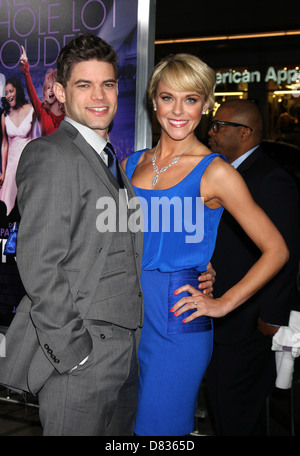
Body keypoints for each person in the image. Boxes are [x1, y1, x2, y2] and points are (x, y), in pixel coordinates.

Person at [122, 54, 289, 436]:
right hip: (126, 318)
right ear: (153, 101)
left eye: (191, 99)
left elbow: (277, 249)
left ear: (206, 105)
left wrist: (223, 302)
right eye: (168, 98)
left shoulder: (216, 171)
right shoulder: (131, 165)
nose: (178, 111)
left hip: (177, 318)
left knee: (159, 433)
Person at [0, 34, 144, 436]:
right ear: (60, 92)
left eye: (108, 84)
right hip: (82, 358)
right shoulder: (50, 154)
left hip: (125, 351)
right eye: (84, 84)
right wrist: (75, 354)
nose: (100, 96)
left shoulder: (109, 156)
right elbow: (39, 264)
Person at [206, 99, 300, 435]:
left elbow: (285, 251)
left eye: (220, 126)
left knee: (237, 413)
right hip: (220, 317)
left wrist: (272, 316)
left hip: (248, 323)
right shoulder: (221, 173)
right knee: (223, 406)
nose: (211, 132)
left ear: (244, 133)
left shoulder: (270, 178)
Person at [0, 76, 36, 215]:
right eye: (6, 92)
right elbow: (4, 144)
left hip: (26, 164)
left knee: (25, 206)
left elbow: (34, 139)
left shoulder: (31, 110)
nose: (8, 95)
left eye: (11, 91)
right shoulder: (4, 116)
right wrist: (3, 171)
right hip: (10, 168)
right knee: (7, 208)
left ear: (17, 91)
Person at [20, 46, 64, 136]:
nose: (50, 90)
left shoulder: (68, 112)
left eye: (53, 86)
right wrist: (26, 69)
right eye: (48, 88)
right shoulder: (42, 111)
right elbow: (31, 93)